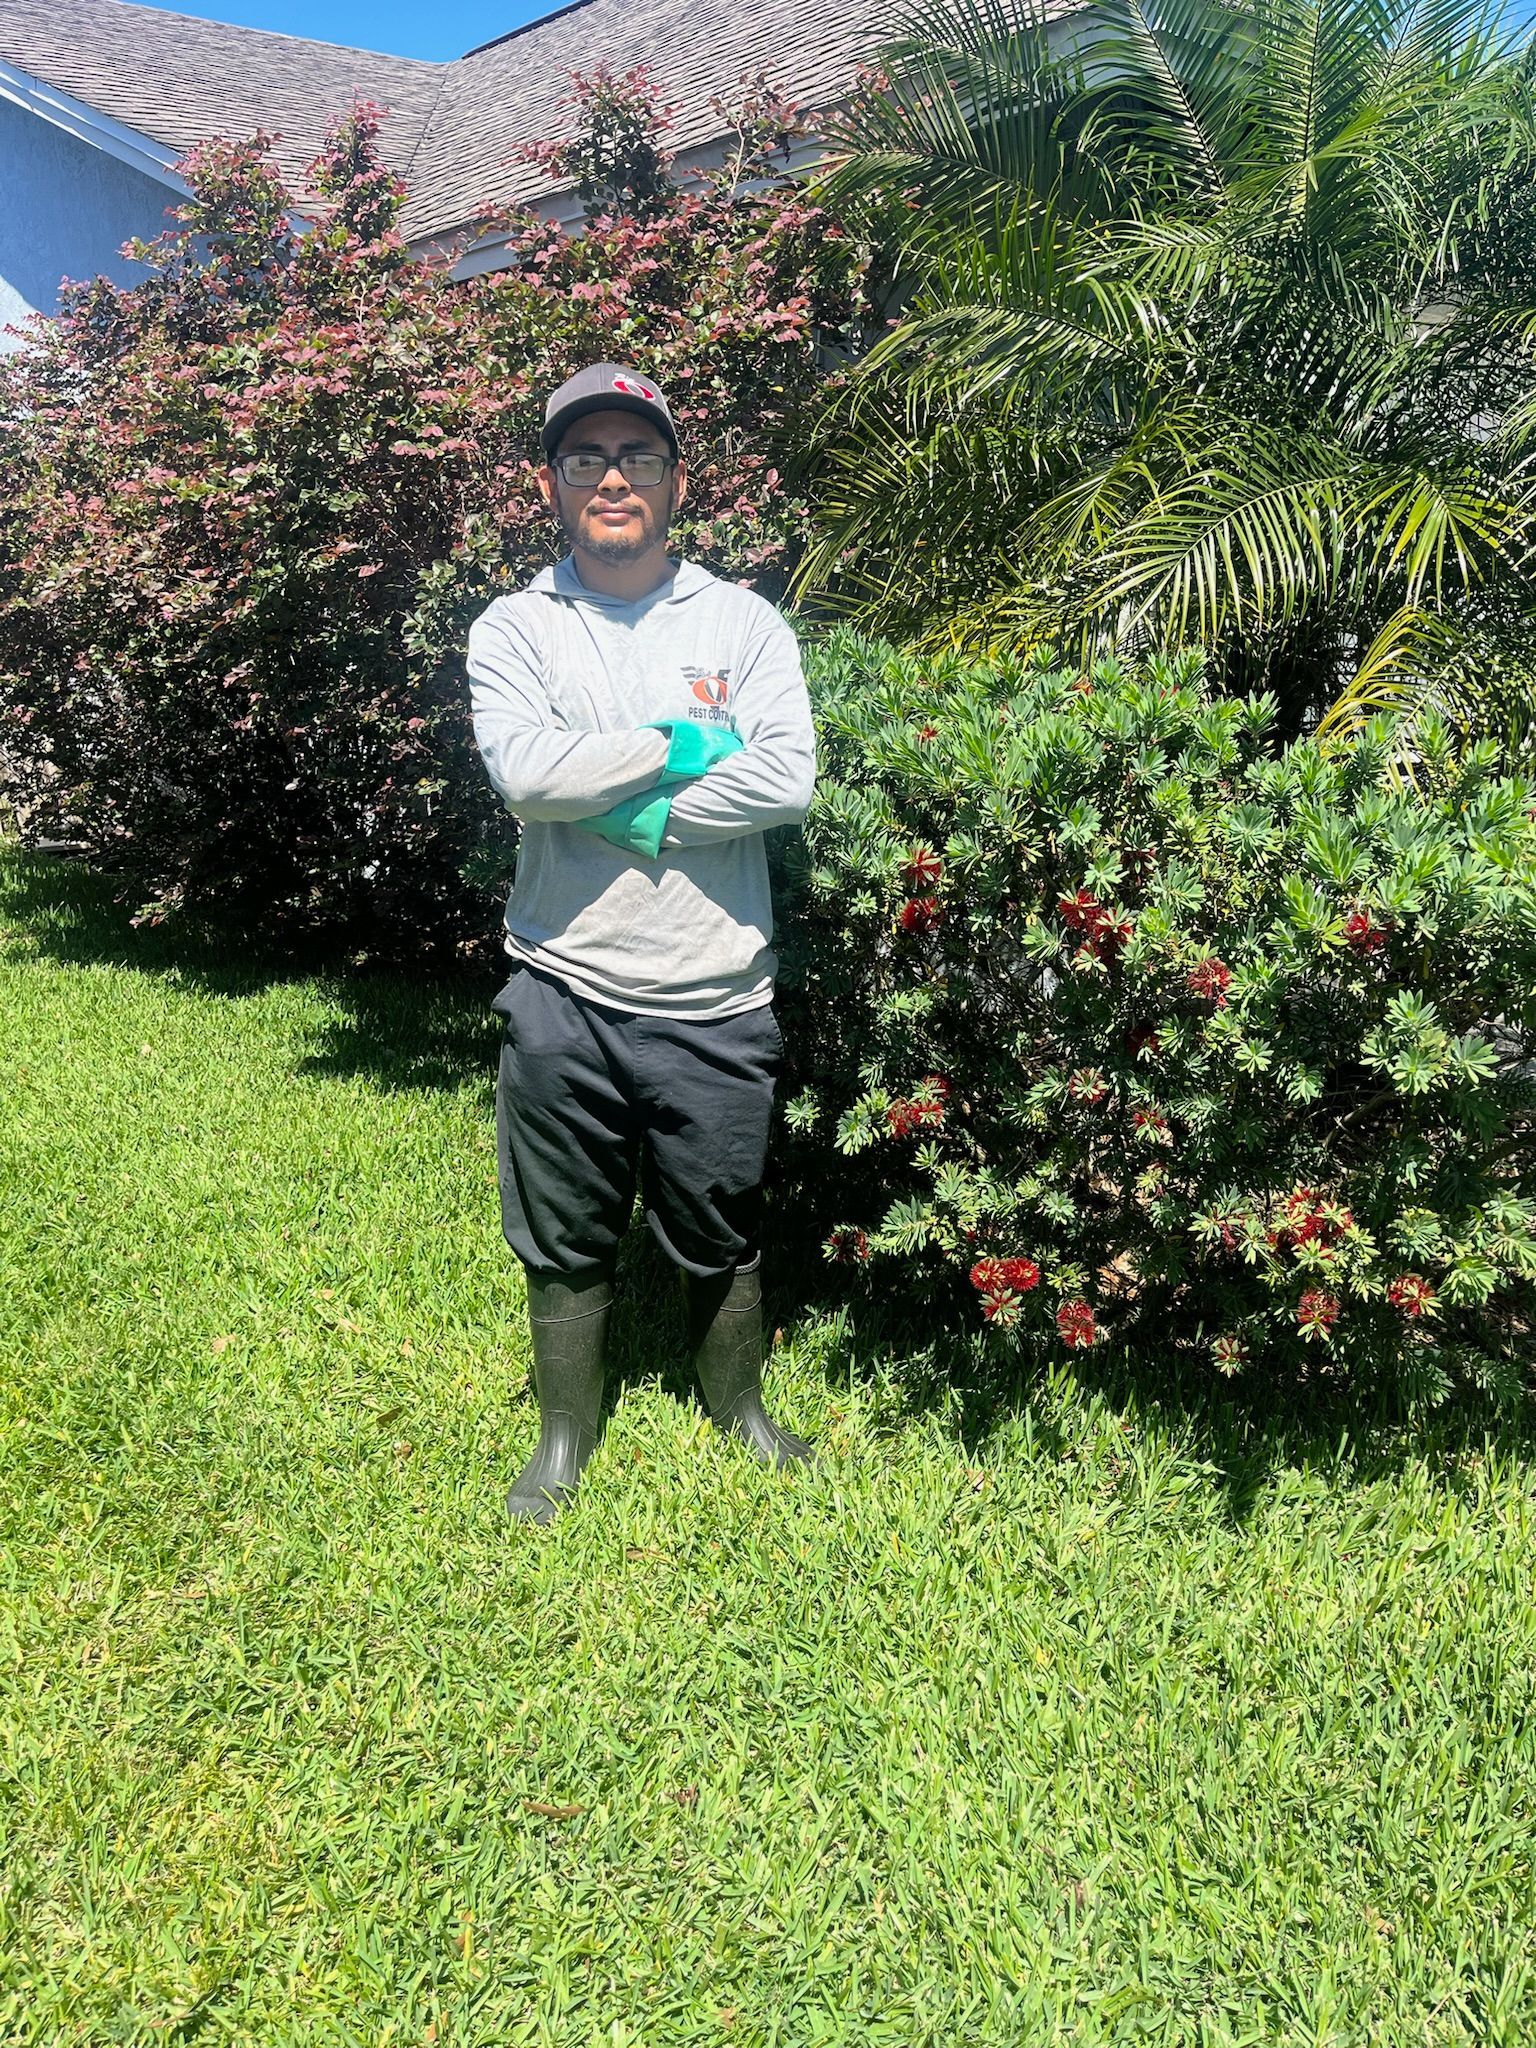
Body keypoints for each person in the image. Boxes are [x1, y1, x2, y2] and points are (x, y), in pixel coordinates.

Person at [467, 362, 815, 1523]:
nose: (614, 478)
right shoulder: (516, 627)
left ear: (678, 480)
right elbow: (523, 771)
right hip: (563, 982)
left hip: (715, 988)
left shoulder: (742, 621)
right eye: (586, 459)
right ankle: (566, 1432)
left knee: (720, 1212)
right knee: (561, 1223)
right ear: (552, 485)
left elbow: (787, 777)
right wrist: (683, 744)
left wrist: (627, 800)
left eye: (639, 458)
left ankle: (740, 1405)